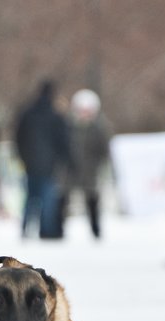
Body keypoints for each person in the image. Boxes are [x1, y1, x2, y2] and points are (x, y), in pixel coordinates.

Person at [15, 80, 72, 239]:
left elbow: (19, 137)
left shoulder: (27, 113)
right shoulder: (55, 116)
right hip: (49, 165)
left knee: (30, 198)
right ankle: (46, 231)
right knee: (48, 200)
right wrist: (66, 160)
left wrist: (23, 157)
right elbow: (63, 141)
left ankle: (25, 227)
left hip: (30, 163)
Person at [61, 88, 111, 239]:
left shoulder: (98, 128)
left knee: (92, 200)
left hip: (90, 170)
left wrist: (100, 165)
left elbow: (104, 149)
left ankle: (95, 230)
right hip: (70, 169)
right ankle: (58, 228)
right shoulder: (68, 126)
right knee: (63, 198)